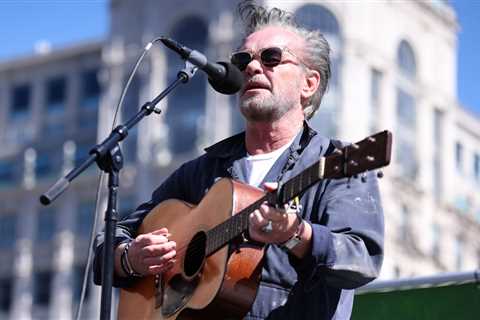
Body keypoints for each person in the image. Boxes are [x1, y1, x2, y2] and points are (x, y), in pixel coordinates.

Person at [93, 1, 384, 319]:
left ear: (309, 83)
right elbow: (111, 238)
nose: (251, 68)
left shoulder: (337, 164)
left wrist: (296, 233)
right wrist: (129, 257)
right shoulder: (204, 170)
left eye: (271, 58)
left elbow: (362, 258)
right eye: (243, 59)